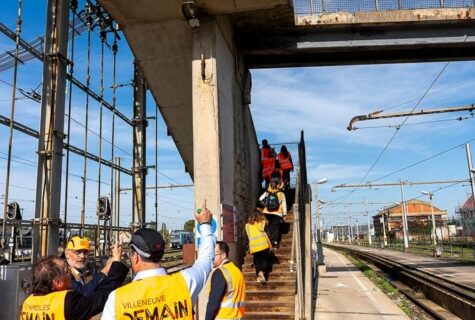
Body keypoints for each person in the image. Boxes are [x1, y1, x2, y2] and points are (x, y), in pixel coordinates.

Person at [101, 199, 215, 320]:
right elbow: (206, 259)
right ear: (160, 255)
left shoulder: (117, 299)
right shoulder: (185, 283)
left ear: (135, 257)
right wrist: (205, 223)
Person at [21, 244, 127, 320]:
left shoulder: (28, 302)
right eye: (66, 271)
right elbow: (101, 296)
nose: (69, 274)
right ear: (58, 282)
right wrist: (116, 264)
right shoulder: (67, 302)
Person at [205, 241, 245, 320]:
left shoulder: (220, 273)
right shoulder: (238, 272)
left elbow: (213, 304)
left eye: (214, 254)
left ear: (223, 255)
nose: (212, 257)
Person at [259, 176, 287, 247]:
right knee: (276, 227)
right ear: (279, 184)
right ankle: (275, 242)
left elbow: (260, 199)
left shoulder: (268, 192)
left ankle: (269, 241)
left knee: (269, 227)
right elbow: (284, 205)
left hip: (267, 212)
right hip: (277, 213)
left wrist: (265, 203)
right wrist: (284, 215)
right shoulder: (281, 194)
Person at [245, 213, 272, 284]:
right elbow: (267, 223)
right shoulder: (262, 223)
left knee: (257, 261)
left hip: (254, 247)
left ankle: (258, 277)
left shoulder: (247, 226)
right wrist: (263, 218)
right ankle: (261, 271)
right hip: (263, 245)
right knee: (265, 260)